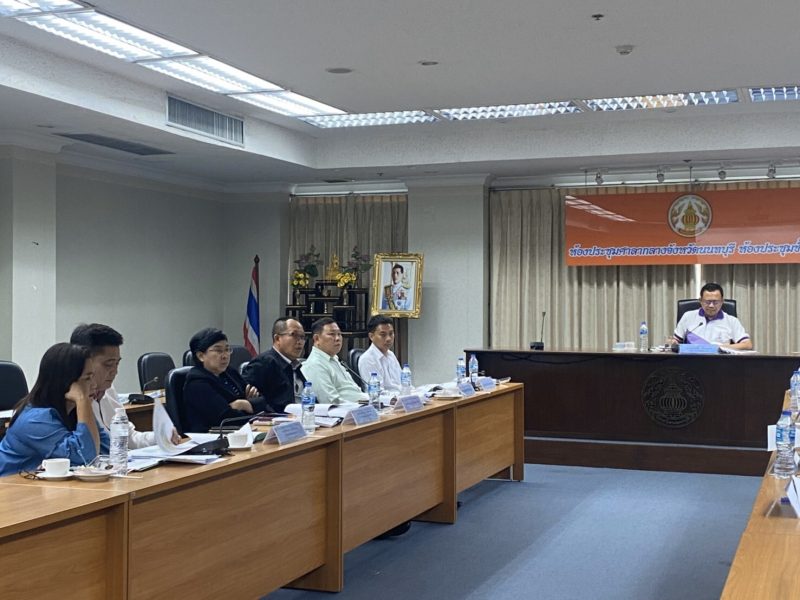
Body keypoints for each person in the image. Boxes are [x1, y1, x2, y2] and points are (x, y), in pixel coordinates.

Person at [0, 343, 108, 476]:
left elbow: (108, 450)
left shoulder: (74, 410)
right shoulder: (34, 420)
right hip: (10, 486)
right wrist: (82, 400)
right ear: (66, 382)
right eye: (87, 378)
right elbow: (85, 458)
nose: (95, 385)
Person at [70, 323, 180, 448]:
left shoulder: (109, 390)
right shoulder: (73, 400)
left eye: (117, 364)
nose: (115, 371)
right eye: (108, 364)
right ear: (83, 362)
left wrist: (160, 436)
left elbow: (128, 438)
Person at [183, 328, 267, 432]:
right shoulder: (197, 383)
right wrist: (251, 407)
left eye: (227, 350)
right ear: (201, 356)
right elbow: (226, 418)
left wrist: (244, 404)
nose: (225, 356)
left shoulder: (229, 373)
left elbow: (263, 401)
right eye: (218, 351)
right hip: (212, 436)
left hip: (241, 431)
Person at [242, 317, 307, 412]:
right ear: (277, 339)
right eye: (294, 335)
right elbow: (248, 397)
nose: (300, 342)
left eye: (302, 337)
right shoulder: (263, 363)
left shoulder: (295, 365)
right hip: (278, 418)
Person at [300, 317, 368, 404]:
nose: (337, 338)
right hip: (348, 410)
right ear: (317, 339)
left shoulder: (334, 359)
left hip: (362, 405)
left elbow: (353, 391)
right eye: (332, 334)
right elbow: (330, 401)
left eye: (339, 334)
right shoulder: (315, 364)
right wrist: (361, 406)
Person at [673, 283, 753, 350]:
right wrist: (672, 343)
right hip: (691, 359)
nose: (711, 305)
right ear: (700, 301)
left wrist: (719, 348)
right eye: (707, 302)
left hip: (720, 361)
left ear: (722, 301)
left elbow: (747, 344)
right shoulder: (688, 316)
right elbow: (676, 341)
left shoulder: (731, 321)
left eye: (715, 302)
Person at [358, 315, 402, 391]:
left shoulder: (391, 355)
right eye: (383, 335)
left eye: (391, 333)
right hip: (386, 398)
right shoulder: (367, 359)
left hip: (400, 396)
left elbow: (404, 383)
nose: (388, 339)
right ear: (371, 336)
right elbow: (378, 392)